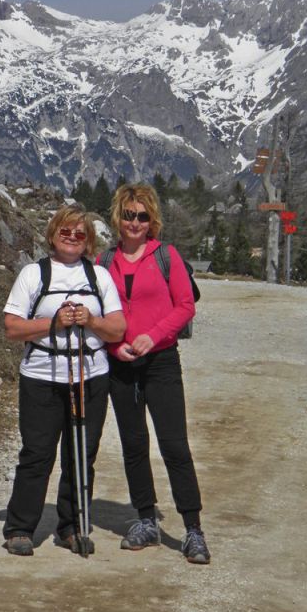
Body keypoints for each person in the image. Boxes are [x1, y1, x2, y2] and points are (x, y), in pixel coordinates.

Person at [2, 204, 126, 556]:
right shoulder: (33, 275)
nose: (72, 237)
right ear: (53, 234)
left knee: (81, 453)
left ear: (88, 241)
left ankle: (71, 526)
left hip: (91, 376)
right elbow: (12, 328)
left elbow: (117, 329)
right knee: (37, 453)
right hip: (42, 376)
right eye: (65, 231)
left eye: (80, 233)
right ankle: (20, 528)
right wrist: (54, 324)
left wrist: (90, 321)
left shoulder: (98, 277)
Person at [98, 183, 211, 564]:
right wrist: (116, 347)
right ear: (118, 216)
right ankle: (145, 519)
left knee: (174, 446)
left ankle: (193, 528)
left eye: (142, 216)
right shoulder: (103, 262)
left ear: (152, 220)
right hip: (121, 365)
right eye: (128, 214)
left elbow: (185, 307)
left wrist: (153, 336)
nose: (135, 222)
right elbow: (99, 317)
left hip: (161, 362)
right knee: (133, 445)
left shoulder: (167, 256)